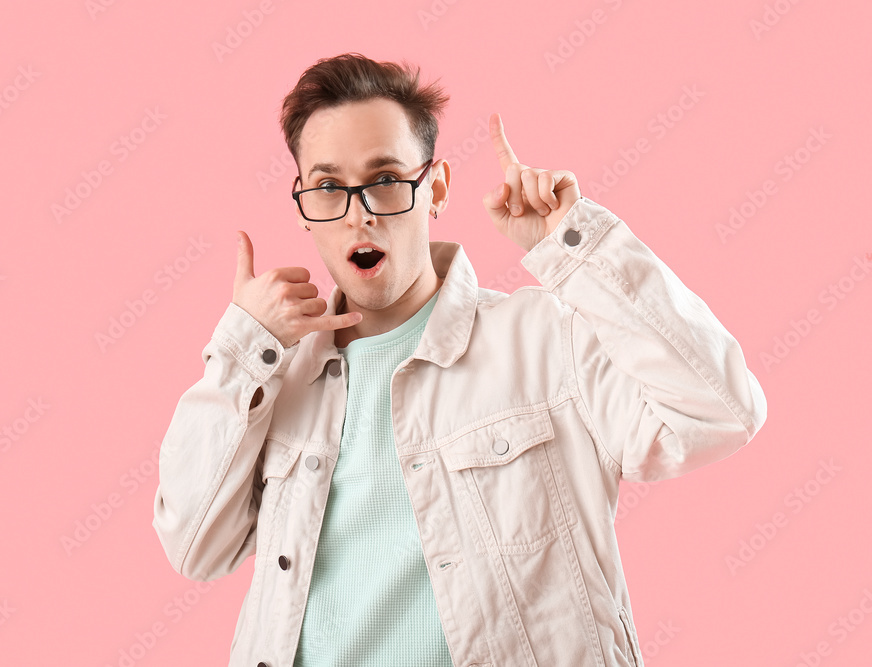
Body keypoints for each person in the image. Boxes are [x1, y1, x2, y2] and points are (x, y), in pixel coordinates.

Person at [152, 52, 767, 667]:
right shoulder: (277, 379)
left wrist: (574, 248)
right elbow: (194, 546)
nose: (359, 211)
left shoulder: (543, 340)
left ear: (435, 188)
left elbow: (720, 412)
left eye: (386, 179)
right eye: (329, 187)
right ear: (304, 204)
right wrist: (241, 354)